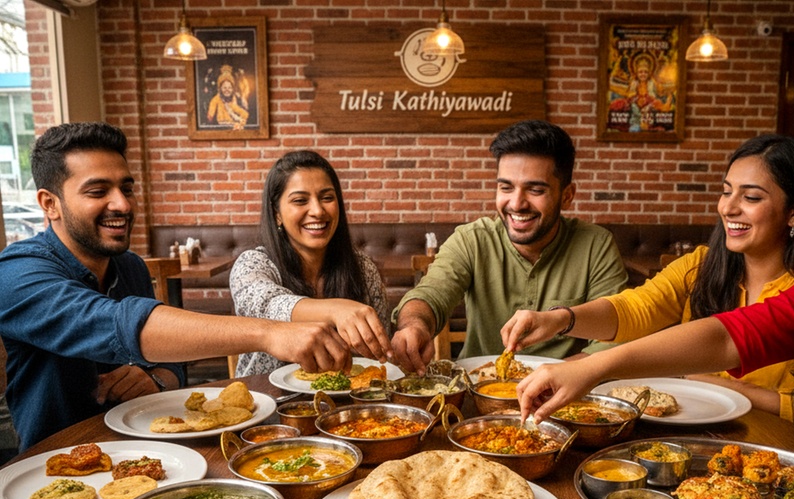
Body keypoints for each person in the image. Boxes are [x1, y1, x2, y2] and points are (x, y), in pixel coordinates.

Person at [516, 136, 794, 475]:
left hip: (774, 447)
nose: (728, 207)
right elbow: (643, 311)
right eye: (726, 191)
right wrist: (561, 321)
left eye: (750, 197)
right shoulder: (705, 266)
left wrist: (711, 383)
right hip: (684, 440)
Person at [0, 122, 354, 450]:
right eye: (97, 191)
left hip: (149, 454)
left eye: (127, 189)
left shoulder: (130, 267)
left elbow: (173, 368)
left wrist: (155, 379)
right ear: (50, 204)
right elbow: (116, 322)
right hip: (55, 464)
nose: (122, 204)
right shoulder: (17, 273)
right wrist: (271, 333)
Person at [389, 120, 628, 374]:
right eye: (506, 187)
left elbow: (614, 338)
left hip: (567, 391)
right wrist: (415, 326)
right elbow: (430, 294)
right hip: (477, 389)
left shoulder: (596, 246)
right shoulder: (472, 240)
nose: (516, 204)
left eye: (535, 190)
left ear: (567, 196)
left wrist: (552, 376)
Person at [230, 150, 391, 377]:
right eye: (300, 200)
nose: (317, 211)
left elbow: (381, 355)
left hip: (349, 398)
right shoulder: (253, 264)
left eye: (327, 198)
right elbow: (267, 306)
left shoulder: (363, 269)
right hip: (264, 397)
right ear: (277, 214)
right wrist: (336, 310)